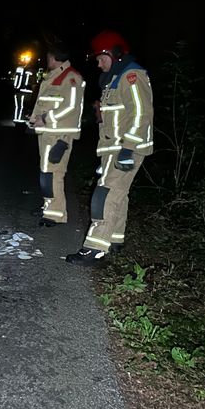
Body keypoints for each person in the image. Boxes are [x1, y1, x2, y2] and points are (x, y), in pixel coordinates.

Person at [66, 30, 154, 266]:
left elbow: (142, 114)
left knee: (105, 196)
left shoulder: (132, 76)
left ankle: (94, 249)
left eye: (101, 57)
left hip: (126, 149)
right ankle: (115, 240)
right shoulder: (113, 81)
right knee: (118, 195)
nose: (98, 63)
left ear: (115, 54)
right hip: (112, 149)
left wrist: (128, 148)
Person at [28, 43, 85, 226]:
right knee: (47, 173)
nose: (47, 60)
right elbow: (49, 103)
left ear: (53, 57)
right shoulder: (54, 77)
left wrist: (45, 119)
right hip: (48, 133)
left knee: (53, 173)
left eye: (48, 57)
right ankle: (49, 208)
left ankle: (55, 214)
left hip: (59, 135)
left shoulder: (71, 77)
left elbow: (71, 106)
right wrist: (36, 118)